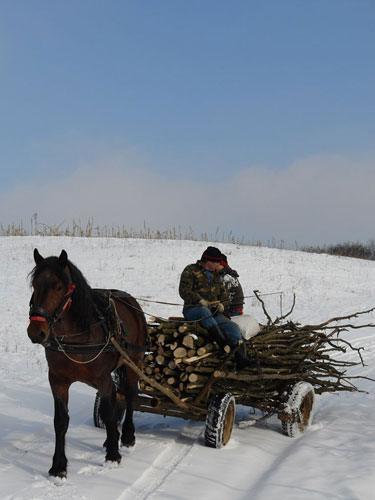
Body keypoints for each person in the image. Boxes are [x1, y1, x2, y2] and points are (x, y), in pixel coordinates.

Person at [178, 246, 256, 371]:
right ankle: (222, 343)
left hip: (213, 312)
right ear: (208, 261)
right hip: (193, 310)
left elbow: (224, 296)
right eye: (216, 262)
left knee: (232, 327)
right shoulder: (190, 270)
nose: (218, 265)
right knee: (204, 312)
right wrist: (199, 300)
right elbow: (183, 291)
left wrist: (222, 305)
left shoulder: (216, 276)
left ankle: (242, 358)